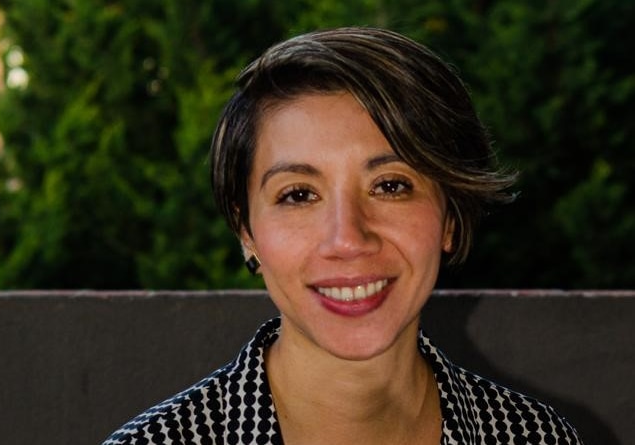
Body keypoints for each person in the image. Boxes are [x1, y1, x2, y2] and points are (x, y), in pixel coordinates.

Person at [103, 27, 583, 444]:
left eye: (390, 186)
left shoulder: (536, 436)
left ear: (451, 218)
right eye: (298, 195)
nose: (347, 239)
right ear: (246, 231)